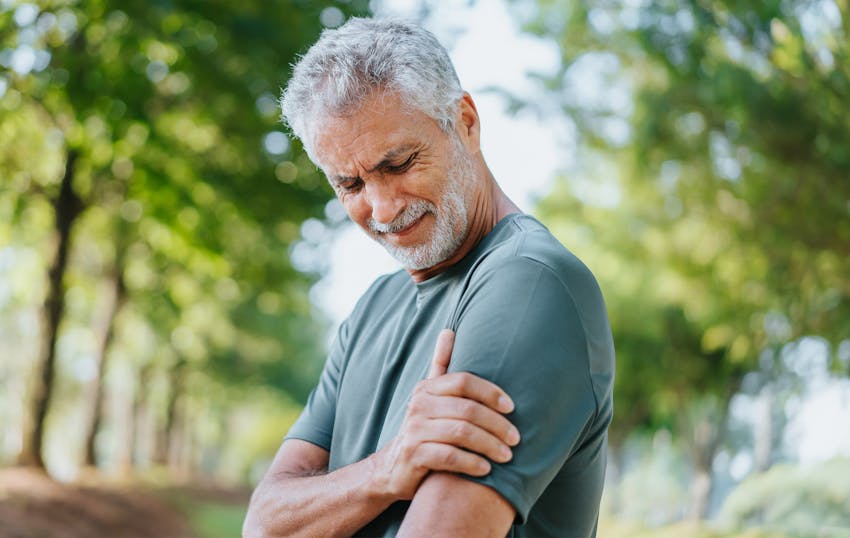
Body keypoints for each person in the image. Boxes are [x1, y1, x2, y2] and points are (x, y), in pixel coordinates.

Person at [243, 17, 614, 538]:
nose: (382, 208)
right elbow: (264, 524)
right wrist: (385, 471)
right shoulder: (375, 305)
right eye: (350, 184)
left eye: (399, 164)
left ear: (466, 122)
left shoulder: (530, 284)